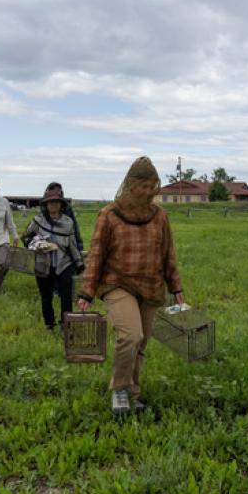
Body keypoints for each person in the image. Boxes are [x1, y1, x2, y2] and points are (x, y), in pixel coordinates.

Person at [77, 156, 185, 416]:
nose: (149, 192)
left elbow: (168, 253)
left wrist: (177, 289)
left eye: (153, 187)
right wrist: (86, 292)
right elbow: (96, 255)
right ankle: (119, 389)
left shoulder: (160, 216)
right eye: (144, 187)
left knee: (142, 343)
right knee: (130, 335)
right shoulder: (109, 215)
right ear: (131, 185)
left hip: (151, 285)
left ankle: (133, 392)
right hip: (117, 284)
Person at [23, 185, 84, 331]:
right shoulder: (38, 221)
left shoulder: (68, 222)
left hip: (64, 263)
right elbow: (26, 236)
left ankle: (66, 324)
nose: (53, 205)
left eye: (56, 202)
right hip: (43, 264)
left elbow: (72, 245)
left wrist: (80, 263)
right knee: (46, 296)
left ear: (61, 204)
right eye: (50, 202)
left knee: (66, 295)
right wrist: (37, 244)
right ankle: (49, 324)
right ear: (45, 204)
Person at [45, 181, 84, 251]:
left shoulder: (66, 208)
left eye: (58, 191)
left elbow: (74, 227)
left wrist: (79, 244)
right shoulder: (45, 208)